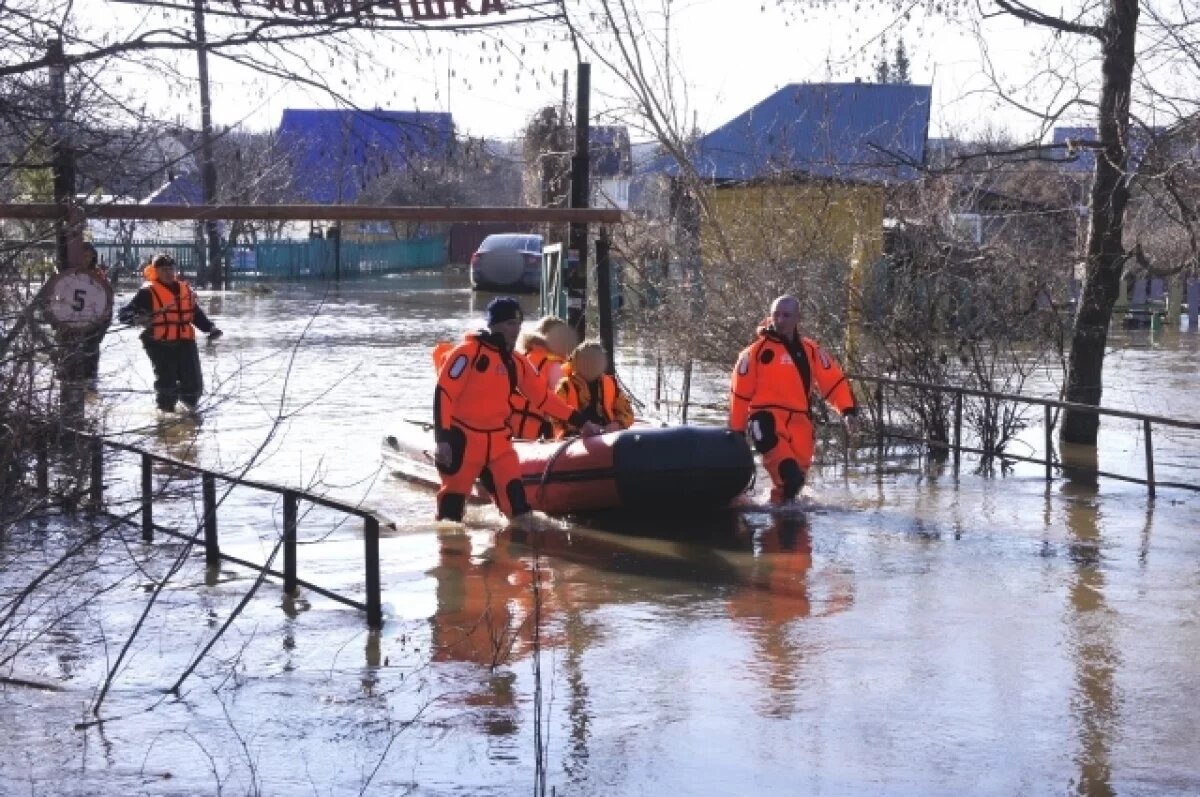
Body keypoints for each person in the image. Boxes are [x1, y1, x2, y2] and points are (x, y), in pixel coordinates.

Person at [433, 297, 602, 523]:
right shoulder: (467, 353)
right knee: (450, 516)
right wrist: (442, 439)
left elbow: (544, 399)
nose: (517, 330)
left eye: (519, 324)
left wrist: (583, 424)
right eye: (511, 324)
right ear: (495, 325)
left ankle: (513, 555)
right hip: (463, 440)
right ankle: (452, 557)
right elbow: (444, 393)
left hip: (499, 444)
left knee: (520, 511)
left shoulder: (516, 362)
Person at [729, 295, 858, 504]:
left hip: (800, 424)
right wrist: (737, 433)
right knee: (790, 477)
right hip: (766, 421)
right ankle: (778, 522)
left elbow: (832, 381)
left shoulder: (811, 351)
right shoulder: (755, 352)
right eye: (776, 315)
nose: (780, 320)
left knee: (793, 489)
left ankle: (780, 523)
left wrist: (847, 411)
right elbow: (740, 394)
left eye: (786, 315)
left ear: (798, 317)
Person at [117, 253, 223, 414]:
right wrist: (137, 319)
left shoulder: (184, 290)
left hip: (185, 341)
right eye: (164, 269)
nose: (168, 273)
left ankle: (189, 414)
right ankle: (165, 416)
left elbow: (194, 313)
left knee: (194, 384)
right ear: (155, 271)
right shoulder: (147, 292)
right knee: (167, 384)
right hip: (158, 342)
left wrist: (210, 328)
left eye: (171, 269)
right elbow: (124, 314)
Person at [509, 315, 576, 439]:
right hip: (539, 434)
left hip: (511, 429)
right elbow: (560, 404)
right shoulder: (555, 366)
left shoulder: (521, 358)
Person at [553, 340, 635, 437]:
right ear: (576, 362)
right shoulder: (565, 385)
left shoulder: (611, 384)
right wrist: (582, 427)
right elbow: (556, 416)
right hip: (575, 437)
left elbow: (627, 413)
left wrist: (617, 425)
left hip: (607, 434)